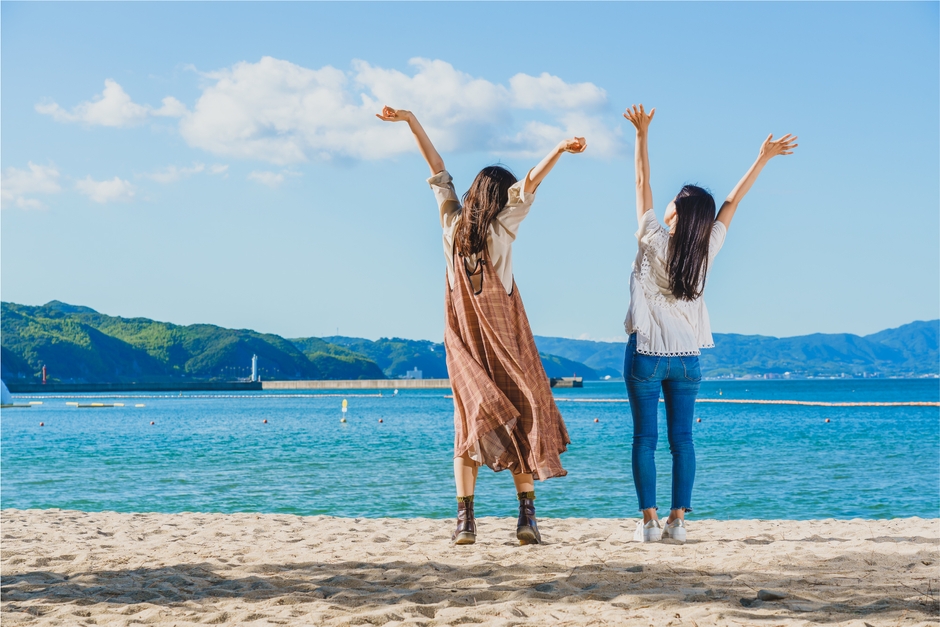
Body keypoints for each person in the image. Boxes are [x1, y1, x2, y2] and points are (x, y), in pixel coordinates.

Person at [376, 105, 585, 546]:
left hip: (464, 347)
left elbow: (437, 170)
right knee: (524, 418)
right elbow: (530, 184)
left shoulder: (450, 227)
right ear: (500, 199)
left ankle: (464, 521)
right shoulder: (502, 231)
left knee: (467, 426)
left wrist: (412, 121)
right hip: (506, 348)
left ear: (474, 194)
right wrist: (560, 150)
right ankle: (526, 518)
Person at [621, 104, 797, 543]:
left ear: (677, 212)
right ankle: (678, 522)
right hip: (686, 360)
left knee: (645, 439)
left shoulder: (653, 236)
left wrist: (641, 135)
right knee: (683, 440)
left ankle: (648, 522)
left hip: (644, 352)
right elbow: (733, 202)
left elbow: (641, 181)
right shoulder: (707, 249)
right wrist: (763, 158)